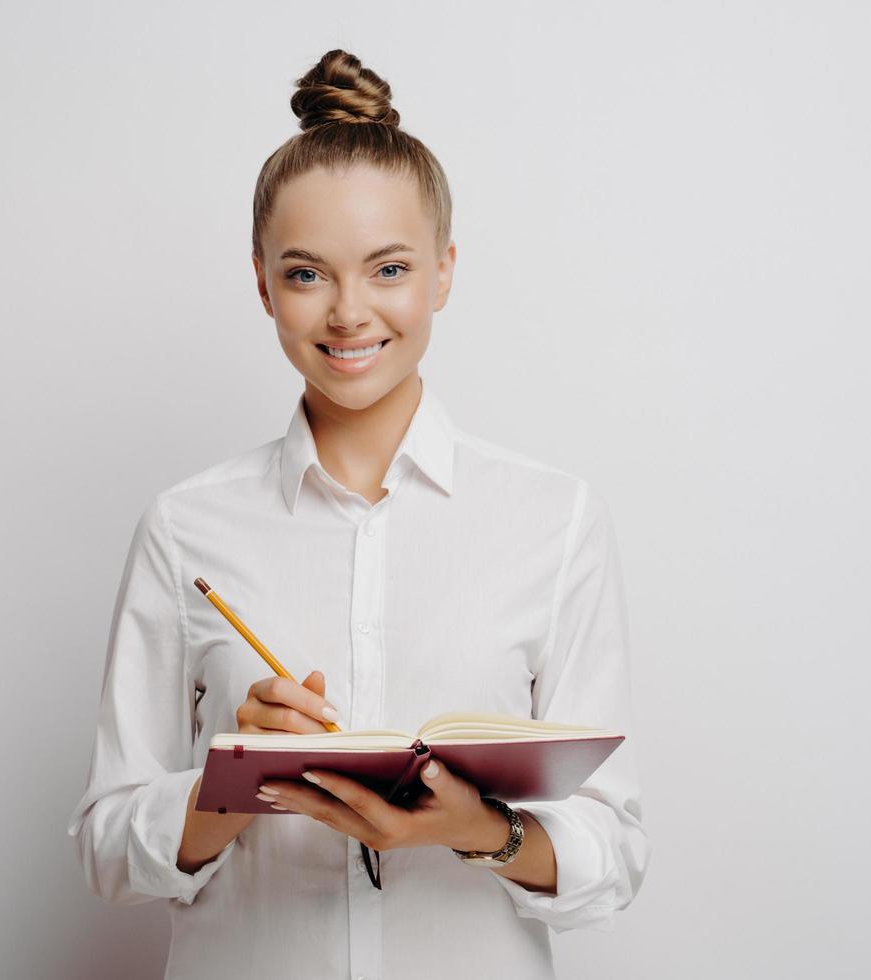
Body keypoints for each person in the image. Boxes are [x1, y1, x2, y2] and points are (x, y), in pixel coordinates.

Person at [68, 48, 651, 980]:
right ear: (262, 283)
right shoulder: (186, 528)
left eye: (388, 268)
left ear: (444, 272)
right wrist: (236, 785)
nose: (348, 313)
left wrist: (482, 832)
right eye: (306, 275)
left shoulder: (555, 519)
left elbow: (613, 854)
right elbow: (106, 848)